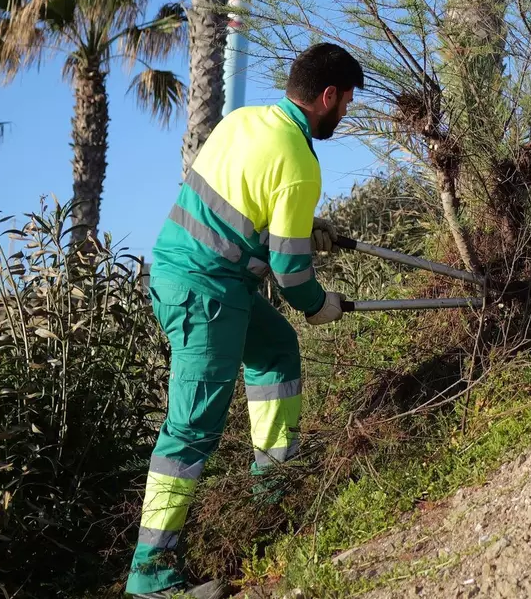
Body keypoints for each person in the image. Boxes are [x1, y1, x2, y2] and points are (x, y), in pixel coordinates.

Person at [127, 43, 362, 599]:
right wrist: (318, 304)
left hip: (187, 276)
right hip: (205, 295)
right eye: (346, 102)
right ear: (326, 97)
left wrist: (303, 222)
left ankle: (271, 494)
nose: (345, 113)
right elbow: (289, 275)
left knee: (276, 348)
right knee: (191, 430)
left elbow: (242, 205)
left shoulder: (245, 121)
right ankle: (150, 576)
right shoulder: (300, 162)